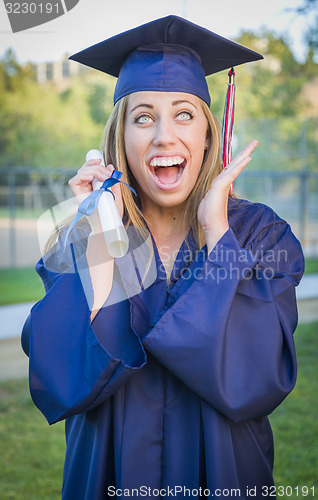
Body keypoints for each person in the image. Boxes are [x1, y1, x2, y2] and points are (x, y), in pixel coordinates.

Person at [22, 15, 304, 500]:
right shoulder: (91, 233)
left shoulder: (261, 234)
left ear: (210, 135)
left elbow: (256, 378)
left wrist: (218, 233)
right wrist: (99, 237)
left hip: (224, 476)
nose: (164, 137)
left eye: (184, 114)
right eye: (144, 117)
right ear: (121, 138)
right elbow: (61, 378)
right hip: (107, 474)